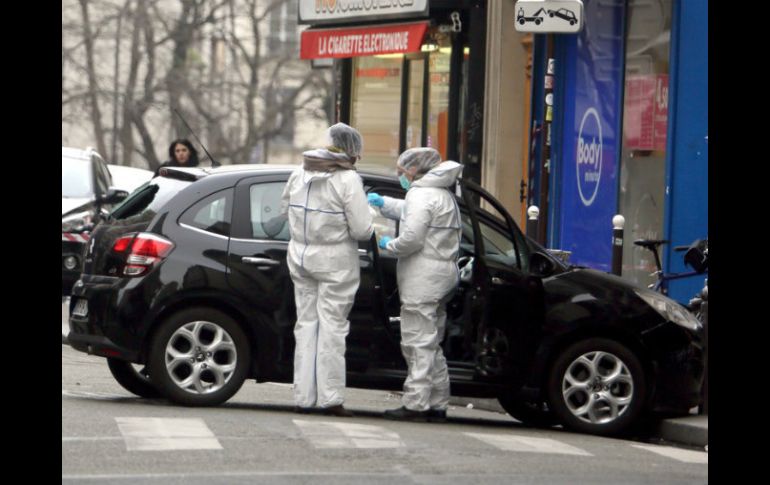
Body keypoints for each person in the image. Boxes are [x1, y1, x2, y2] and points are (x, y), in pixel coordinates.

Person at [280, 123, 374, 417]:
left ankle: (303, 397)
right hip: (335, 264)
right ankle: (331, 398)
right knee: (332, 328)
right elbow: (361, 229)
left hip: (300, 256)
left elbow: (285, 209)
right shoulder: (347, 180)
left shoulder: (300, 172)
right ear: (352, 151)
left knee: (306, 326)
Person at [367, 147, 463, 422]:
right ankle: (437, 401)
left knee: (417, 342)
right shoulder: (442, 194)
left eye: (402, 170)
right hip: (443, 273)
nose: (400, 175)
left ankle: (416, 404)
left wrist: (389, 244)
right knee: (432, 342)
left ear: (415, 169)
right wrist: (383, 203)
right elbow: (412, 213)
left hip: (424, 276)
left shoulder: (421, 195)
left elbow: (411, 238)